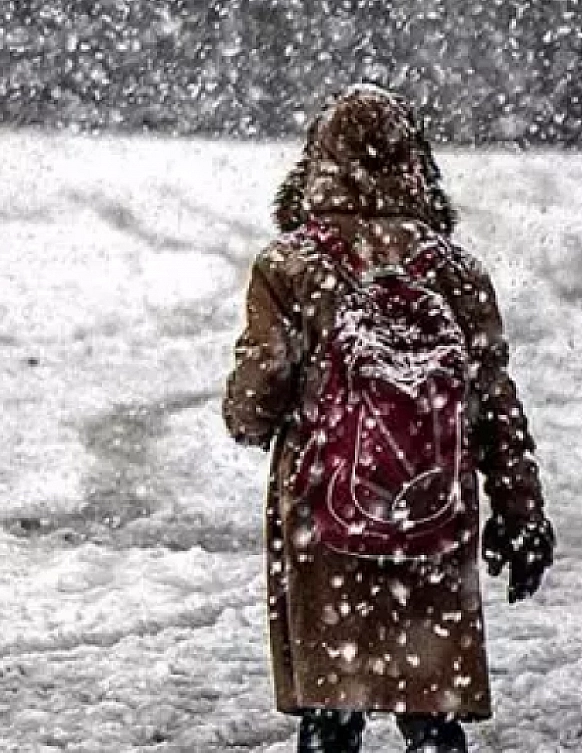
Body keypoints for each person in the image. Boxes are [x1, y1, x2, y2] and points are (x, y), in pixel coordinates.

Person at [223, 84, 554, 752]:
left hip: (326, 518)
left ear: (316, 164)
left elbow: (257, 399)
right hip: (433, 515)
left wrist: (251, 416)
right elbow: (494, 404)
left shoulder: (289, 268)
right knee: (431, 711)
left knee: (331, 709)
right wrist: (521, 513)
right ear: (417, 164)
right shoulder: (457, 273)